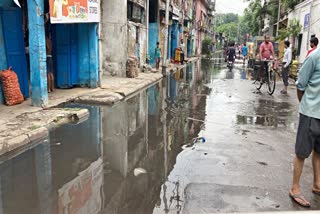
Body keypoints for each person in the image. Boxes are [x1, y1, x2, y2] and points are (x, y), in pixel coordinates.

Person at [289, 46, 320, 208]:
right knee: (302, 152)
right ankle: (295, 188)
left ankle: (317, 184)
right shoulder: (314, 57)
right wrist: (306, 106)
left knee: (319, 151)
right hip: (310, 113)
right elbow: (301, 85)